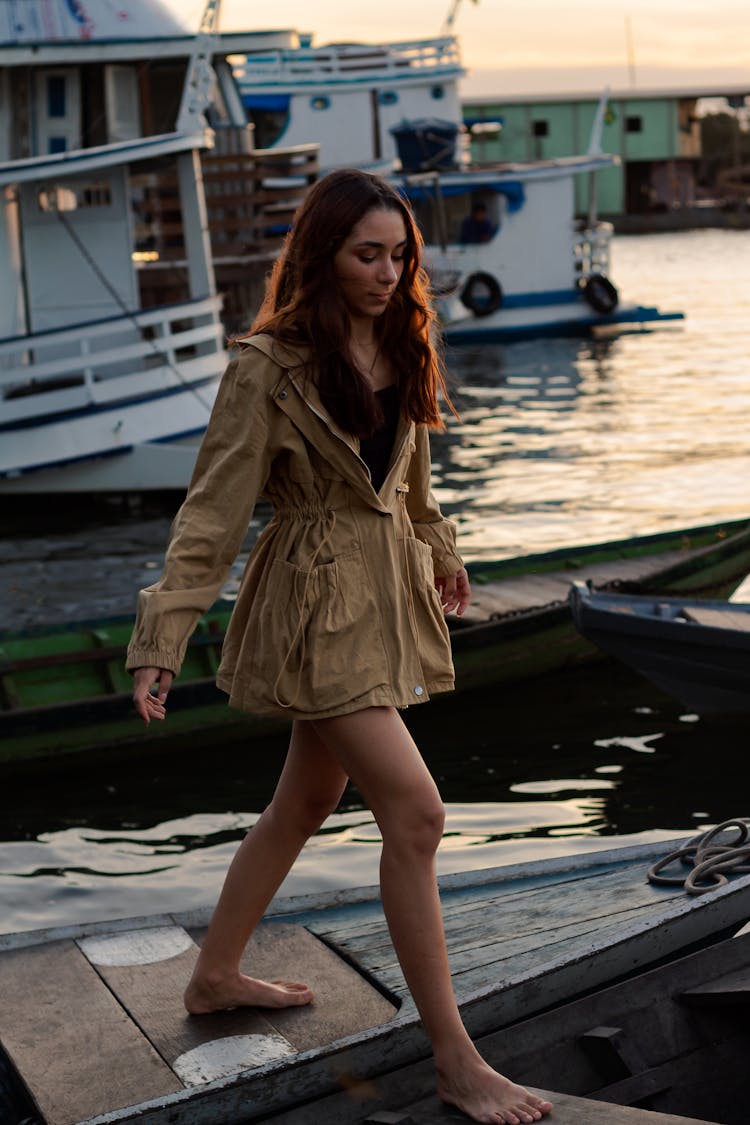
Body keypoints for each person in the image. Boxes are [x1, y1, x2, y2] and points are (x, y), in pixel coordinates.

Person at [127, 168, 552, 1125]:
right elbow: (213, 511)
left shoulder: (402, 335)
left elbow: (409, 476)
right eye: (369, 254)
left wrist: (438, 548)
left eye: (401, 255)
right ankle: (455, 1057)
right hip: (315, 605)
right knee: (417, 810)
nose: (390, 272)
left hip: (383, 591)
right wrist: (164, 631)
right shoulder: (267, 365)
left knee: (309, 796)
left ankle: (214, 975)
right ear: (323, 253)